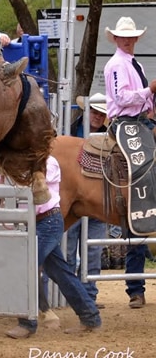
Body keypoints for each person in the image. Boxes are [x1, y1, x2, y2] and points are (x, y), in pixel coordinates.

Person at [6, 155, 101, 339]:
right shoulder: (23, 162)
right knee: (60, 272)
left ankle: (27, 323)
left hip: (47, 221)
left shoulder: (49, 162)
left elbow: (33, 180)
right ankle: (90, 317)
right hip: (41, 222)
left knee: (28, 266)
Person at [104, 16, 156, 309]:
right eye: (123, 37)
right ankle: (134, 284)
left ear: (135, 38)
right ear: (117, 39)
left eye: (131, 36)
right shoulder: (116, 65)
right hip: (126, 124)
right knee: (143, 173)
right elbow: (122, 98)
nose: (127, 40)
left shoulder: (133, 64)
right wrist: (149, 91)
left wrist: (150, 100)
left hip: (141, 122)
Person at [67, 93, 108, 308]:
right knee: (70, 248)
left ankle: (89, 295)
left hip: (95, 199)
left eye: (102, 114)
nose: (98, 117)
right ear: (87, 111)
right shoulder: (72, 131)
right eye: (95, 111)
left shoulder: (108, 138)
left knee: (93, 250)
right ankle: (75, 295)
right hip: (76, 198)